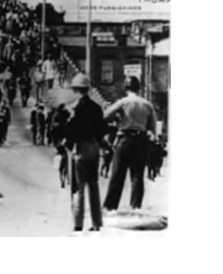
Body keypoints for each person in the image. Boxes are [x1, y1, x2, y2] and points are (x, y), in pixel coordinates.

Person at [103, 76, 158, 211]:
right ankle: (135, 207)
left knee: (117, 175)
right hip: (141, 141)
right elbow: (152, 127)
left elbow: (106, 115)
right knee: (137, 175)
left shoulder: (123, 102)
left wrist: (117, 119)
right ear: (138, 88)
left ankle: (110, 207)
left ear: (125, 88)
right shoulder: (147, 104)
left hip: (125, 140)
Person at [63, 74, 107, 231]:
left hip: (79, 149)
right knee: (93, 186)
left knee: (78, 188)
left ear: (75, 89)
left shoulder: (75, 108)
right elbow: (102, 129)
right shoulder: (96, 108)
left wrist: (67, 144)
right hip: (94, 148)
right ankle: (96, 223)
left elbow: (70, 131)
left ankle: (78, 223)